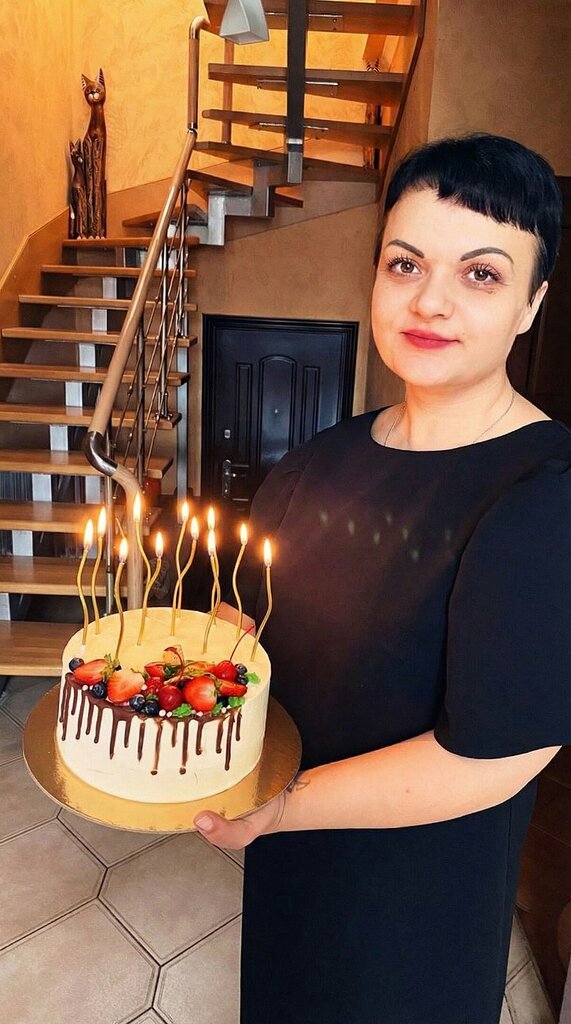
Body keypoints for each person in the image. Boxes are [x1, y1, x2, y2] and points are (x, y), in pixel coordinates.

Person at [194, 133, 571, 1024]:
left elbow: (491, 758)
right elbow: (240, 613)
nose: (429, 300)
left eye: (480, 274)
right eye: (405, 263)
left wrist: (275, 807)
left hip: (415, 904)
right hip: (290, 870)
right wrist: (199, 678)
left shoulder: (544, 493)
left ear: (531, 302)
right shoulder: (318, 457)